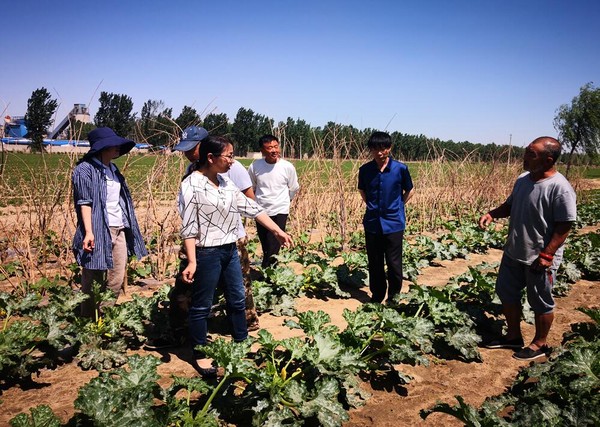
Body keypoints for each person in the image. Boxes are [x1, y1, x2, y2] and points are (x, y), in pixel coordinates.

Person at [178, 135, 292, 376]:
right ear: (211, 157)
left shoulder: (226, 182)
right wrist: (192, 260)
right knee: (202, 305)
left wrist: (277, 231)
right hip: (206, 252)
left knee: (238, 299)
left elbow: (251, 208)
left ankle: (241, 343)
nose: (233, 161)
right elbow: (189, 227)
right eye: (229, 156)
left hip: (230, 250)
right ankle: (201, 352)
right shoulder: (191, 185)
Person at [479, 136, 576, 361]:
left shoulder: (560, 188)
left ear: (548, 159)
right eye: (526, 152)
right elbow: (510, 205)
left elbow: (565, 225)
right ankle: (513, 336)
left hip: (539, 257)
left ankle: (539, 343)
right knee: (507, 293)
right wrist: (492, 214)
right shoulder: (523, 179)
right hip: (514, 251)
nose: (525, 157)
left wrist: (548, 254)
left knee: (540, 301)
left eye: (531, 154)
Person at [72, 127, 148, 318]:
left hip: (119, 228)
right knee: (93, 279)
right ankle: (88, 321)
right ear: (102, 147)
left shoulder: (113, 169)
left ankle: (104, 319)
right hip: (98, 229)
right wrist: (89, 232)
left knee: (116, 277)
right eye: (113, 144)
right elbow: (85, 203)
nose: (118, 148)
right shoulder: (84, 170)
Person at [358, 131, 414, 304]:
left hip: (394, 223)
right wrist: (372, 206)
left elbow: (410, 189)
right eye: (375, 149)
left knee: (394, 262)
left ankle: (393, 297)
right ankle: (377, 295)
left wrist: (399, 205)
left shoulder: (400, 169)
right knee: (375, 262)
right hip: (373, 222)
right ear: (371, 150)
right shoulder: (365, 170)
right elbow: (362, 190)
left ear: (389, 148)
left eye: (383, 148)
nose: (379, 153)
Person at [247, 134, 300, 268]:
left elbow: (293, 187)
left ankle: (269, 274)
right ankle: (269, 272)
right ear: (262, 150)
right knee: (265, 242)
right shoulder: (255, 167)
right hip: (261, 211)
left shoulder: (287, 167)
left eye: (276, 147)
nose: (274, 150)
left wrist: (287, 201)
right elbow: (251, 187)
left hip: (280, 209)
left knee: (274, 243)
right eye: (269, 148)